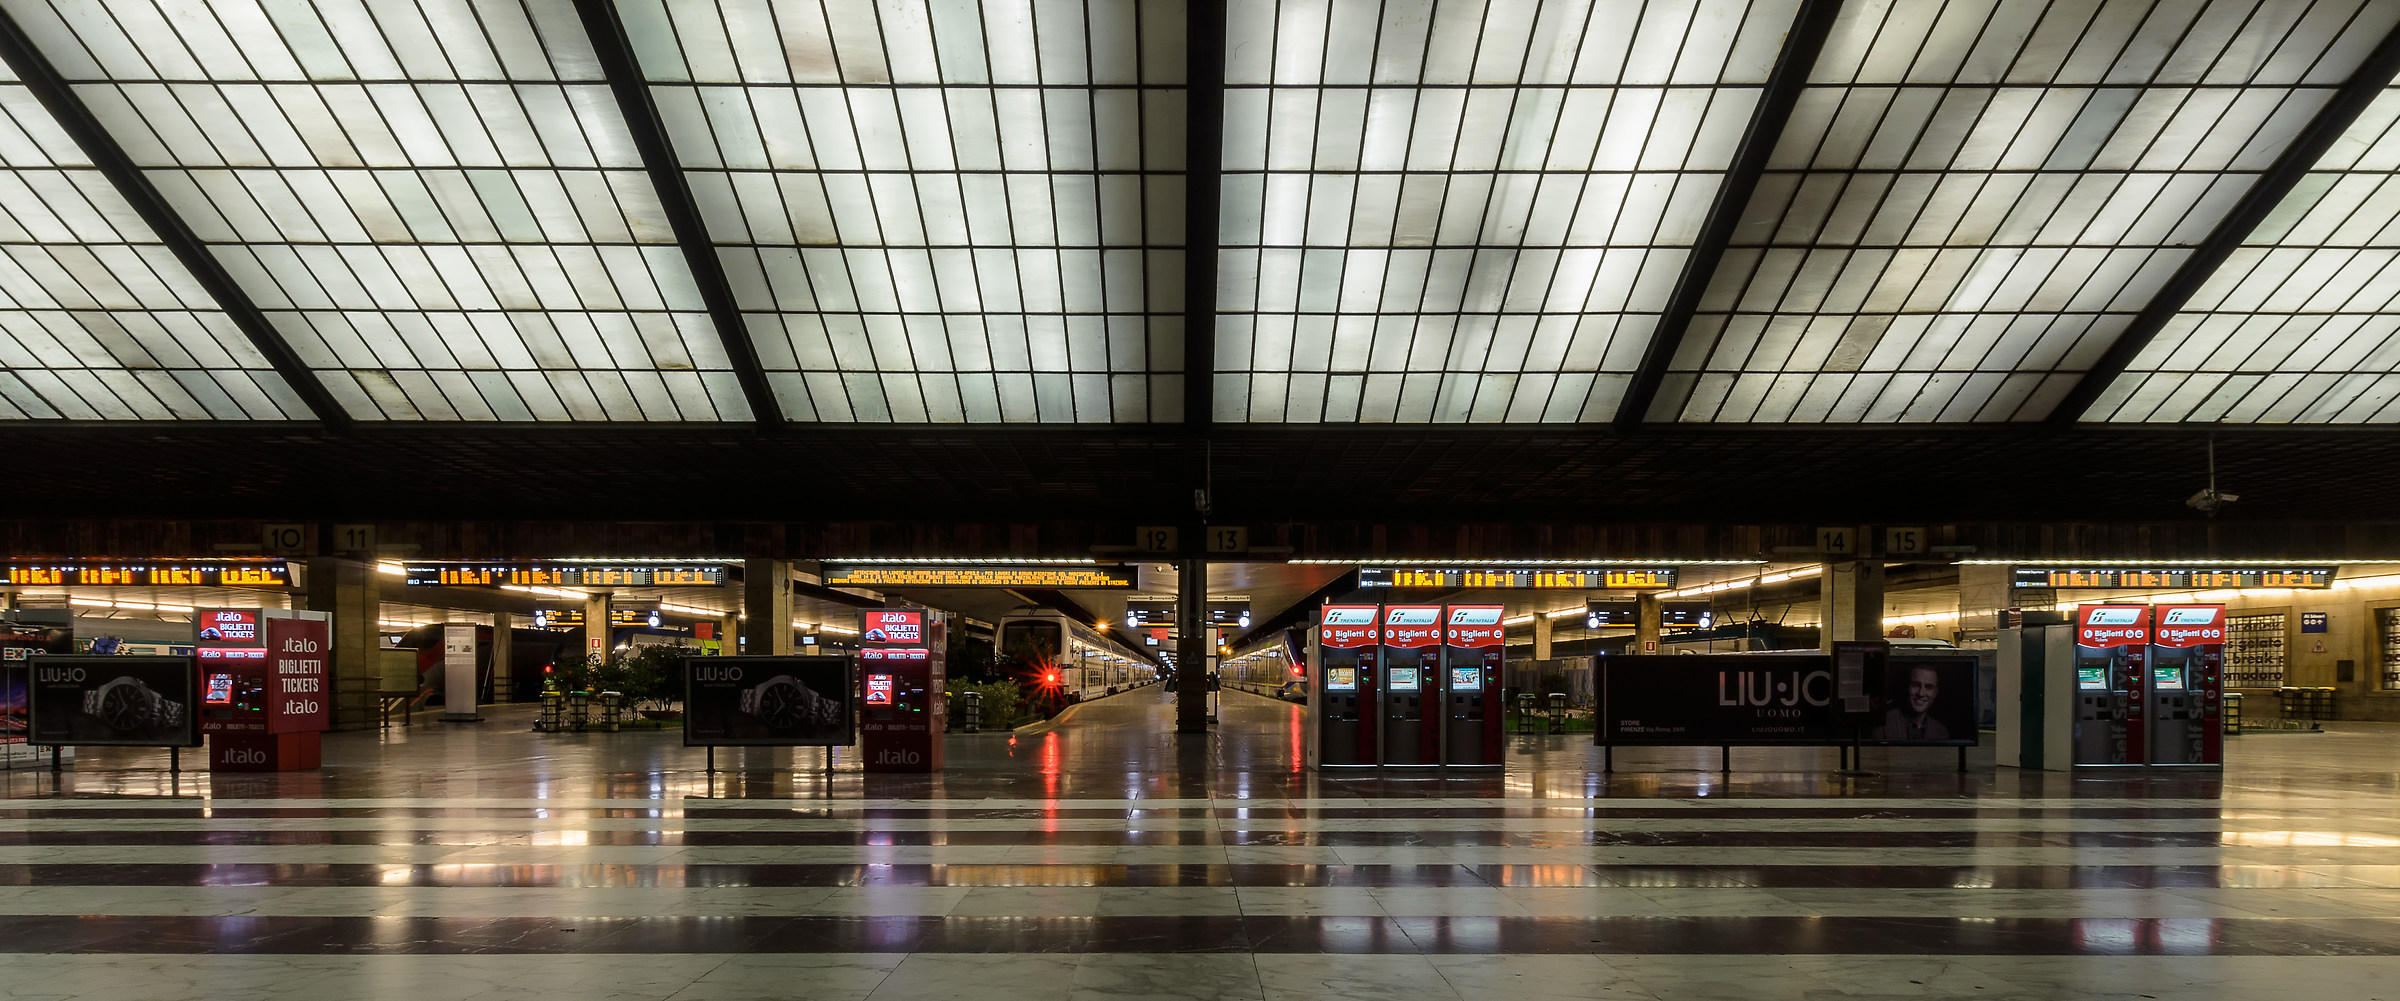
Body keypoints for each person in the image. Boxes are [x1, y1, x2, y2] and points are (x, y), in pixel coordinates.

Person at [1873, 664, 1949, 741]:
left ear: (1935, 693)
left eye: (1928, 687)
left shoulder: (1941, 732)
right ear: (1907, 687)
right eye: (1915, 685)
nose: (1921, 693)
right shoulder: (1884, 724)